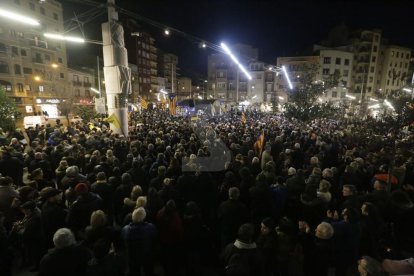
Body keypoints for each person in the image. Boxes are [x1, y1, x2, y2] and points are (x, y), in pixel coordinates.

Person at [122, 207, 158, 276]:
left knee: (135, 272)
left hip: (132, 256)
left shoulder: (126, 229)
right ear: (144, 217)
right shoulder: (150, 227)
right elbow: (155, 236)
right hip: (147, 255)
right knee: (149, 271)